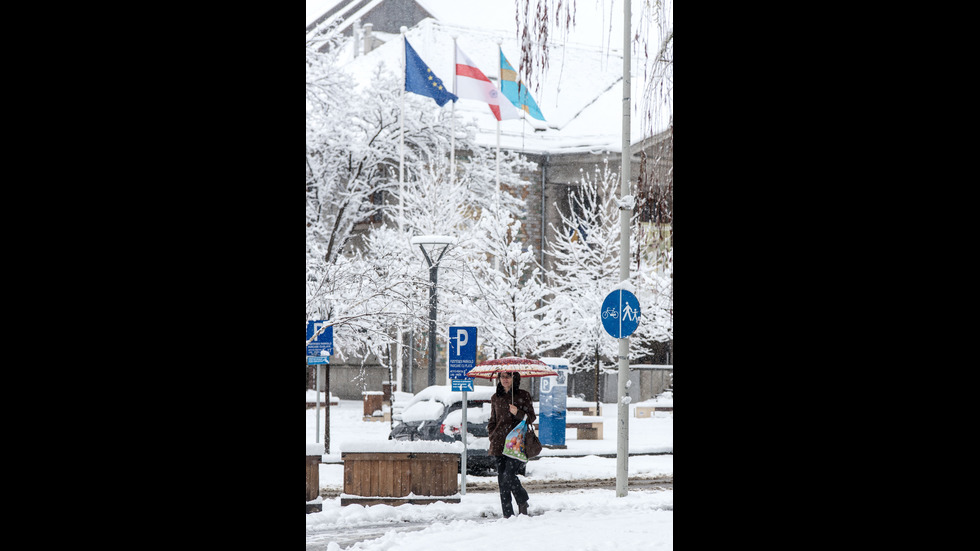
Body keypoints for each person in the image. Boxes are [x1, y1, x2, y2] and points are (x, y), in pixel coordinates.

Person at [486, 370, 537, 518]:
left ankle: (522, 500)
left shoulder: (523, 395)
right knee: (502, 480)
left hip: (516, 442)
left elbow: (531, 418)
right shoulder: (496, 397)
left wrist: (518, 413)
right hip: (499, 442)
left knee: (509, 475)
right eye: (502, 376)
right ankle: (507, 514)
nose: (505, 379)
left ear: (514, 378)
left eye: (508, 376)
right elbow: (493, 420)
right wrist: (492, 434)